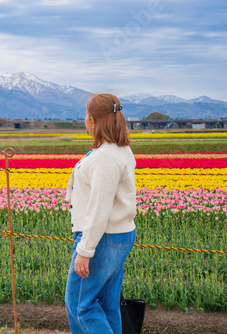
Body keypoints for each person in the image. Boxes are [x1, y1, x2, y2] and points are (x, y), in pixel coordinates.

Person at [64, 93, 137, 334]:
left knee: (80, 306)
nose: (85, 120)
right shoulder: (118, 149)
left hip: (102, 237)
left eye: (87, 115)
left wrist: (85, 250)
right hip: (116, 236)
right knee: (107, 305)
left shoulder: (106, 157)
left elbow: (99, 208)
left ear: (94, 120)